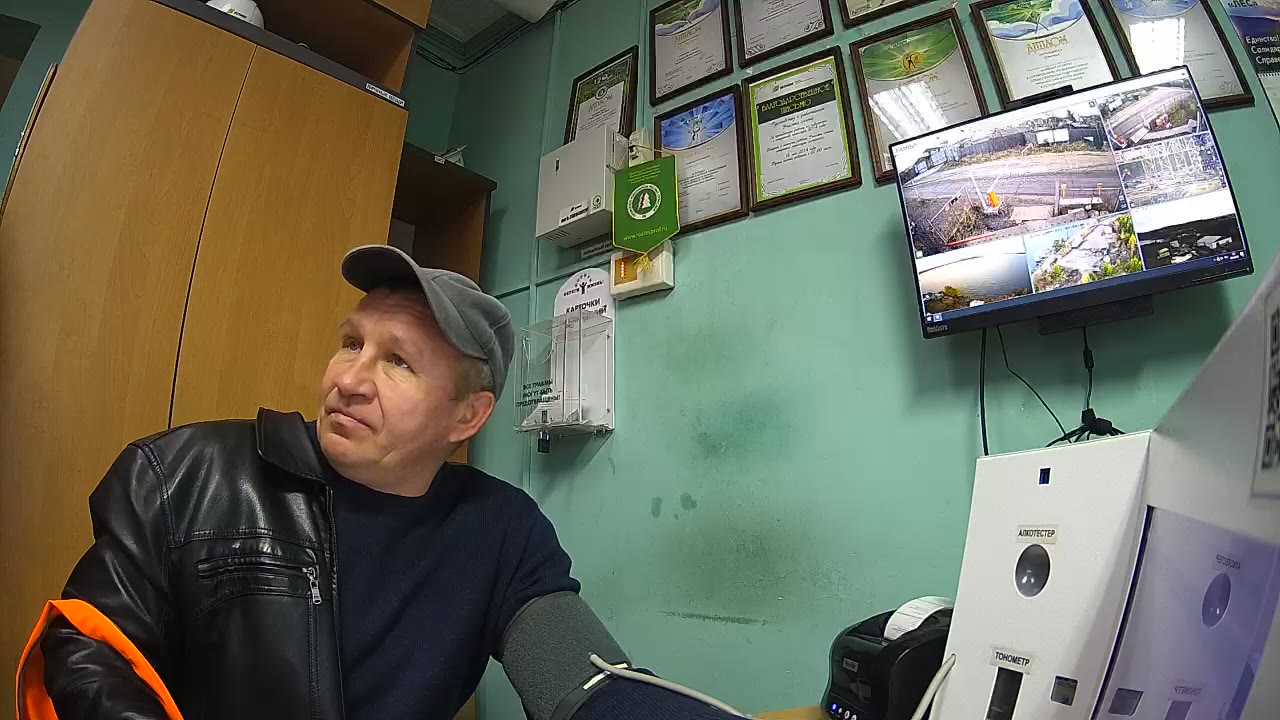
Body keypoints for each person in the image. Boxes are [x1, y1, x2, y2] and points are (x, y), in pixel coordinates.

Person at [39, 245, 740, 720]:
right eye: (351, 343)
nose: (348, 379)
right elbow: (87, 651)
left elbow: (586, 687)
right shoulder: (184, 473)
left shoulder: (501, 529)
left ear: (467, 416)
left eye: (397, 361)